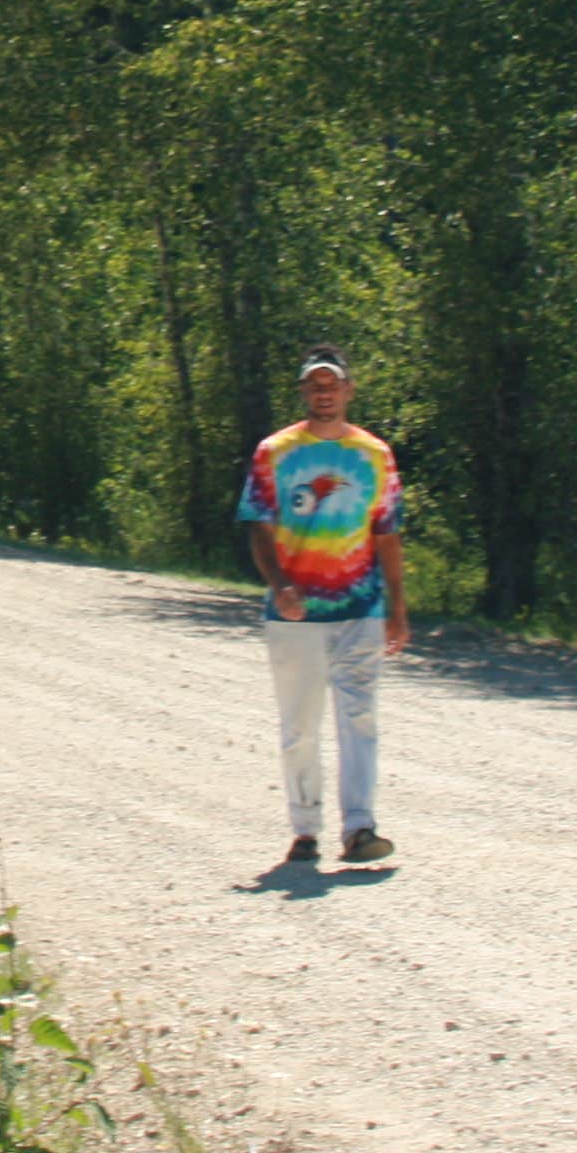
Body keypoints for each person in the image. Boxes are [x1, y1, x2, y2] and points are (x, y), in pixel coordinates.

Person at [237, 347, 408, 867]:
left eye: (332, 384)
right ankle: (305, 829)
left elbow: (387, 533)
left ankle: (360, 828)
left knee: (360, 718)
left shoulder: (375, 455)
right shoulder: (275, 452)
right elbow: (259, 525)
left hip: (360, 607)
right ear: (304, 392)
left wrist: (398, 607)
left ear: (348, 391)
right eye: (315, 385)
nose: (324, 393)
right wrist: (279, 584)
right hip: (295, 613)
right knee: (300, 725)